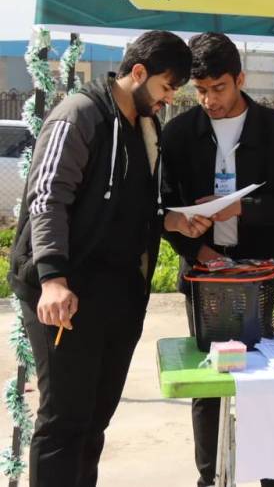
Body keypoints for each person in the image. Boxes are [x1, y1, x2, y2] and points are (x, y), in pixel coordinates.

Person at [7, 30, 208, 487]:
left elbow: (128, 207)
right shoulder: (80, 115)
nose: (168, 99)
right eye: (165, 87)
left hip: (119, 297)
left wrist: (172, 221)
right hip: (66, 296)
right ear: (138, 72)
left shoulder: (146, 127)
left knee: (95, 420)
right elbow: (48, 198)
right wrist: (53, 278)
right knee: (64, 422)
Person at [160, 32, 274, 487]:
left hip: (266, 278)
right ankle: (210, 478)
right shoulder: (178, 134)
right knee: (208, 381)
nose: (210, 100)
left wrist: (241, 207)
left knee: (272, 380)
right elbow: (165, 210)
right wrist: (198, 251)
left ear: (240, 79)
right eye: (200, 91)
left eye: (219, 88)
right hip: (206, 275)